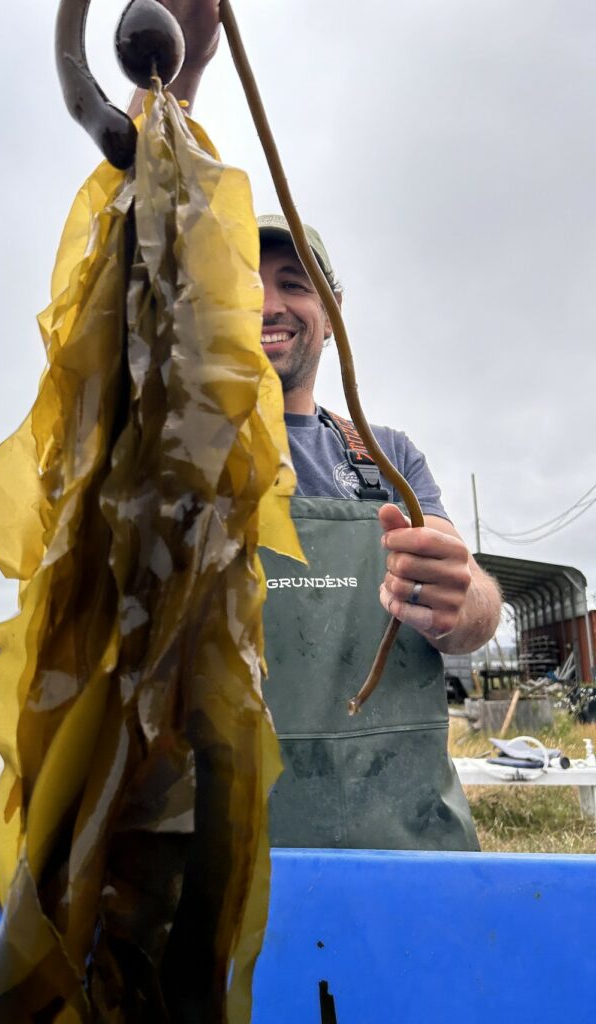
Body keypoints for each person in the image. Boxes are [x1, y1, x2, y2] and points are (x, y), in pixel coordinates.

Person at [129, 0, 503, 850]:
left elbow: (480, 611)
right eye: (247, 286)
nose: (271, 303)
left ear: (331, 314)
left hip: (399, 853)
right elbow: (142, 261)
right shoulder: (189, 442)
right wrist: (171, 88)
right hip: (222, 858)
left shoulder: (386, 458)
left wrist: (460, 602)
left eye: (296, 282)